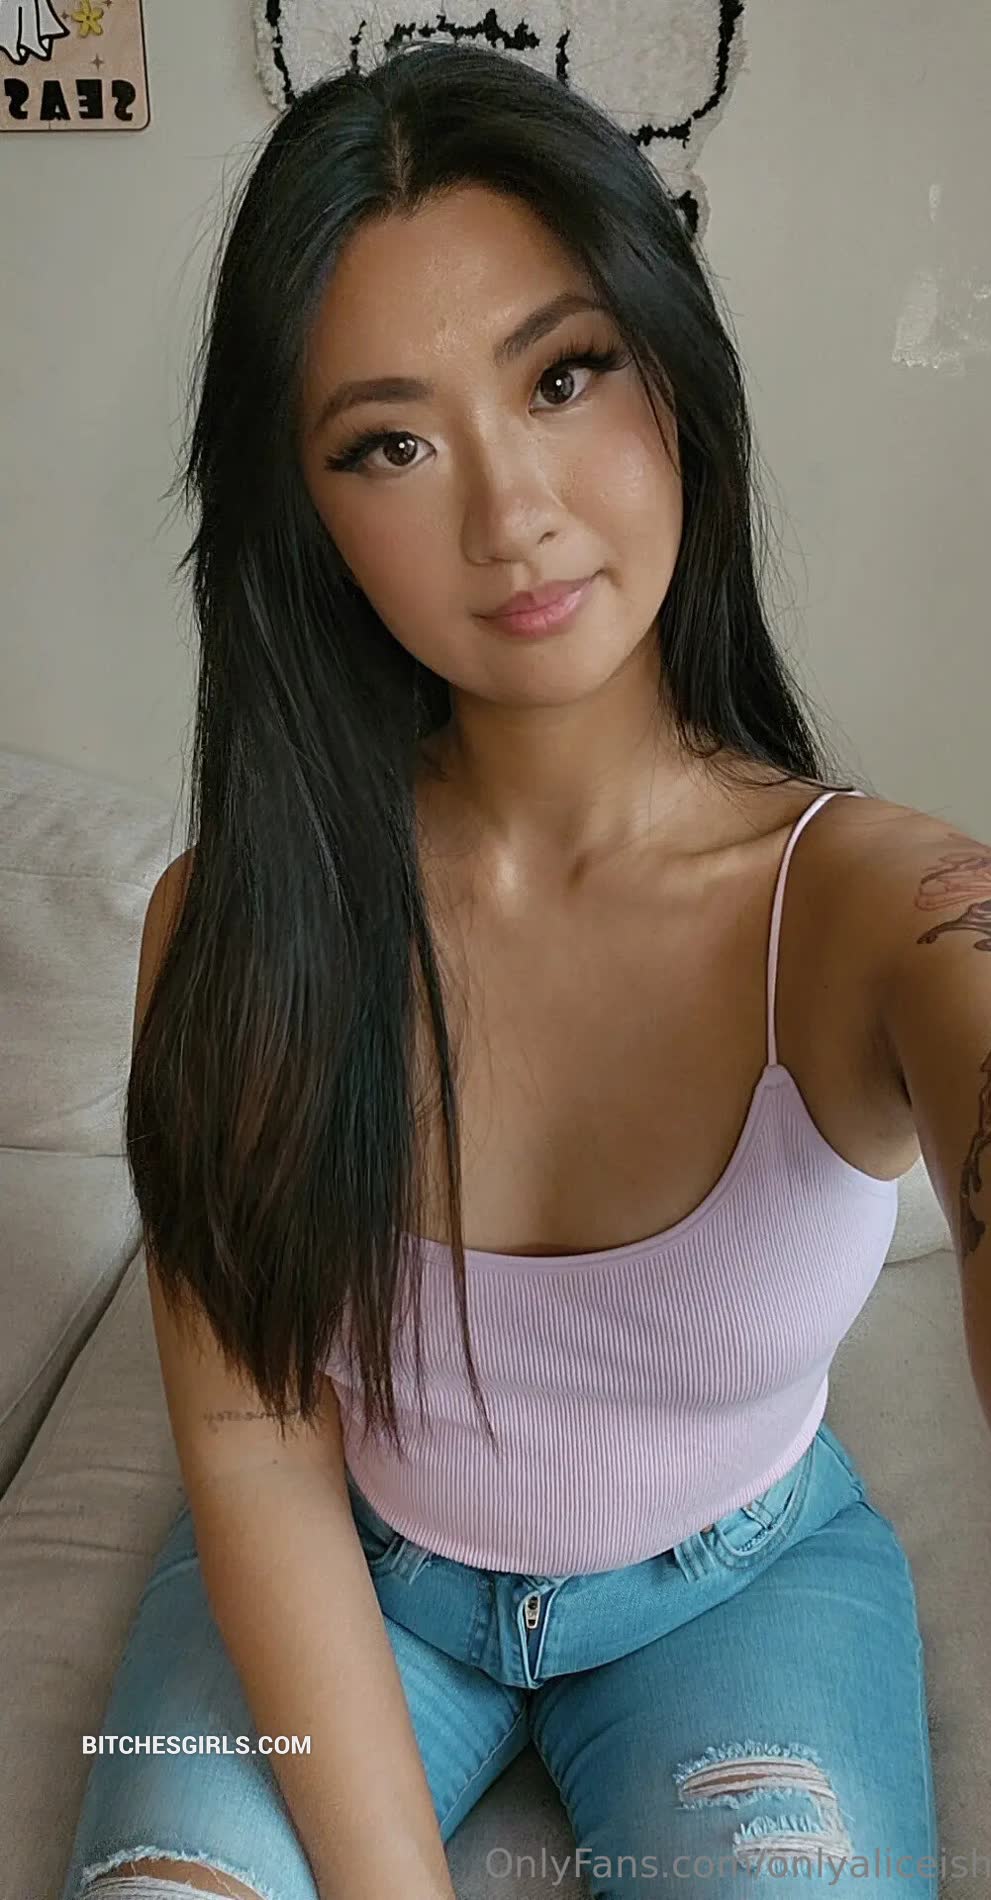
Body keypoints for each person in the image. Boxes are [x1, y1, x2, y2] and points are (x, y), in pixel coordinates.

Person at [60, 41, 939, 1900]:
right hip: (343, 1571)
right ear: (306, 511)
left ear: (672, 371)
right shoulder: (230, 925)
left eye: (560, 374)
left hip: (743, 1584)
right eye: (389, 442)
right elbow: (254, 1442)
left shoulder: (869, 901)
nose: (508, 511)